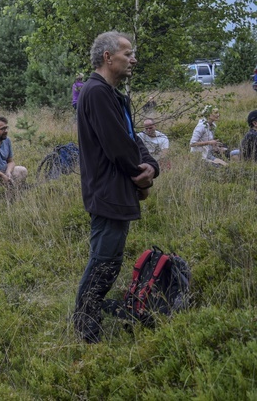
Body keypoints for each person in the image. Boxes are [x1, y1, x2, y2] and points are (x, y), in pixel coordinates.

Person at [73, 32, 159, 344]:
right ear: (108, 57)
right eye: (127, 53)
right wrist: (141, 175)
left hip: (116, 190)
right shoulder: (96, 92)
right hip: (107, 192)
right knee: (103, 263)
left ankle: (88, 320)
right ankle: (85, 327)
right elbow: (118, 147)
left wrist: (152, 166)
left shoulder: (111, 94)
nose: (133, 59)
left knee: (108, 260)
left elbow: (131, 138)